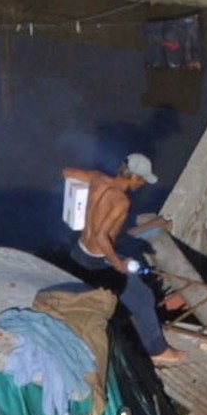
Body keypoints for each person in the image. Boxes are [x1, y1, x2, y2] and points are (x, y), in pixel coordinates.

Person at [60, 153, 185, 366]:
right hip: (98, 262)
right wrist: (118, 265)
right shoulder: (121, 201)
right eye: (143, 180)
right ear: (134, 177)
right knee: (144, 299)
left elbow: (67, 172)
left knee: (130, 265)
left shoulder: (97, 178)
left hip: (79, 250)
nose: (143, 184)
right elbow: (101, 236)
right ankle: (157, 350)